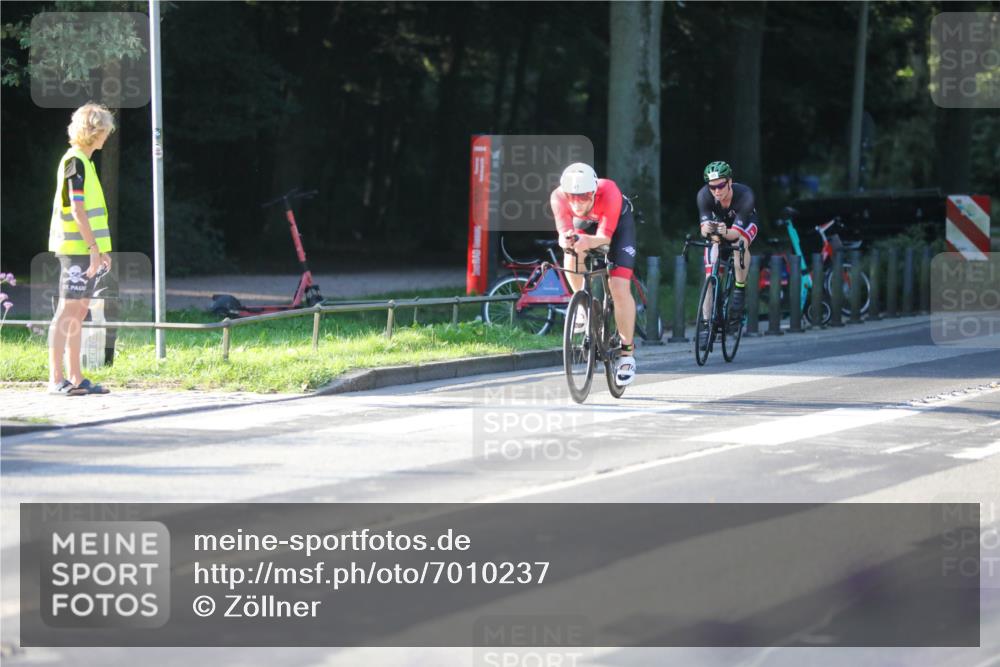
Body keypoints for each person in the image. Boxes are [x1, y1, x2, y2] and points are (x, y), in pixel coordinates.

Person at [550, 163, 638, 386]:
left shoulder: (608, 191)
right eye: (572, 196)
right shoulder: (558, 197)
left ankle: (627, 354)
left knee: (619, 287)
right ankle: (583, 303)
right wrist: (567, 240)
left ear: (594, 192)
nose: (577, 202)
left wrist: (588, 241)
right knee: (571, 249)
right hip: (587, 226)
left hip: (616, 228)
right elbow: (563, 233)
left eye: (584, 196)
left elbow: (604, 239)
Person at [47, 103, 115, 396]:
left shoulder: (85, 163)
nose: (108, 135)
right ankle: (56, 379)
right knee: (67, 311)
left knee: (80, 311)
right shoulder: (75, 161)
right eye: (105, 130)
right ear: (94, 131)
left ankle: (76, 377)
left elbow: (91, 211)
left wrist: (101, 250)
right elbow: (76, 209)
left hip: (87, 249)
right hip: (76, 249)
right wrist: (92, 248)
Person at [696, 160, 758, 348]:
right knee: (710, 272)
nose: (716, 191)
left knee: (740, 244)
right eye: (712, 187)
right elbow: (703, 230)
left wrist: (723, 231)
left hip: (743, 225)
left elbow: (734, 234)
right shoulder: (703, 196)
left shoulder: (745, 195)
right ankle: (707, 324)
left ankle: (739, 289)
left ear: (730, 182)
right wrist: (708, 230)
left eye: (721, 185)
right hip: (720, 228)